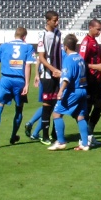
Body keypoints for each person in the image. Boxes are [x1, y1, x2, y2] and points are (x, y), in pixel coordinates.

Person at [0, 27, 36, 148]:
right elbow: (28, 67)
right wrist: (27, 85)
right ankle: (13, 136)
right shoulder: (28, 47)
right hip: (19, 81)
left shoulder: (4, 46)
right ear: (24, 37)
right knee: (19, 109)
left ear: (15, 35)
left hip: (5, 79)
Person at [48, 34, 91, 151]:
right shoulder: (80, 58)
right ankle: (85, 144)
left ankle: (61, 142)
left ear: (65, 47)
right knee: (80, 116)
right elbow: (76, 74)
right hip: (82, 90)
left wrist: (61, 91)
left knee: (56, 114)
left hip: (72, 91)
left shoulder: (68, 59)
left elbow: (67, 78)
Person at [79, 19, 101, 148]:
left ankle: (89, 133)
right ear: (90, 27)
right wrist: (95, 67)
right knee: (88, 108)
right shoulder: (86, 42)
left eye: (100, 29)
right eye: (97, 29)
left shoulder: (94, 41)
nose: (99, 32)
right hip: (89, 81)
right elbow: (80, 62)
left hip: (96, 80)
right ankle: (84, 137)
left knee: (99, 106)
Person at [36, 10, 62, 145]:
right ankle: (44, 135)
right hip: (47, 75)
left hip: (57, 74)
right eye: (54, 20)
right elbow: (41, 57)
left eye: (57, 20)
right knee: (47, 105)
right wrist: (53, 70)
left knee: (58, 104)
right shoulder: (42, 35)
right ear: (47, 21)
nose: (57, 22)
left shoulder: (58, 33)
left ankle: (54, 132)